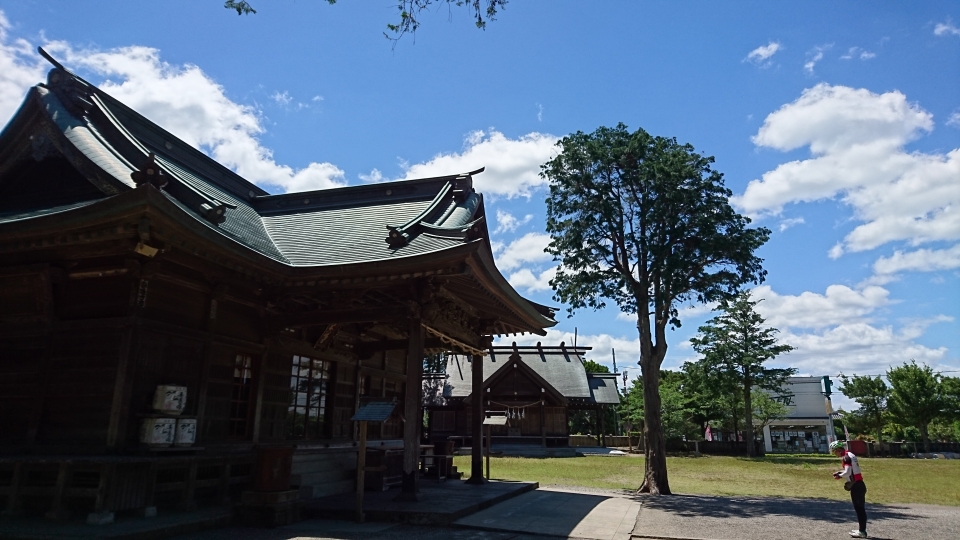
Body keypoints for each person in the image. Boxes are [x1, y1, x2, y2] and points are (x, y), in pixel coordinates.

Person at [830, 440, 867, 538]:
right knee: (860, 509)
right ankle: (861, 530)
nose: (834, 454)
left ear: (838, 449)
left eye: (834, 451)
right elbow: (850, 471)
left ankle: (862, 532)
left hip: (856, 486)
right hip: (859, 484)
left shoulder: (846, 458)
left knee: (859, 509)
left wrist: (839, 476)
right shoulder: (850, 454)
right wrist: (840, 472)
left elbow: (847, 472)